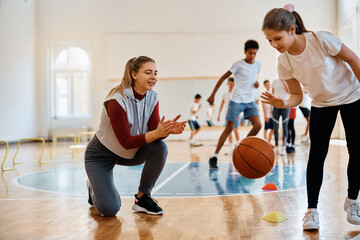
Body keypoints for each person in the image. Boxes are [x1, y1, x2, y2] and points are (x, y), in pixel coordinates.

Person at [261, 5, 360, 230]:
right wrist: (282, 103)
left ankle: (352, 201)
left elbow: (354, 59)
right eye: (269, 41)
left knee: (357, 150)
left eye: (277, 38)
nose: (274, 45)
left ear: (292, 29)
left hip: (352, 95)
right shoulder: (284, 62)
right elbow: (296, 95)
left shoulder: (321, 40)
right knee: (316, 155)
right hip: (321, 103)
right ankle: (311, 211)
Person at [85, 56, 186, 217]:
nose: (154, 77)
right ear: (134, 74)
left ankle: (142, 198)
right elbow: (125, 142)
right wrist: (156, 133)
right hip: (101, 155)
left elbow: (154, 133)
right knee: (110, 209)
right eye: (148, 72)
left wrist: (165, 131)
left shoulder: (152, 97)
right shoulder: (116, 100)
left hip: (128, 154)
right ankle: (92, 186)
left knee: (160, 148)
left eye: (156, 73)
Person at [207, 40, 262, 169]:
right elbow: (222, 78)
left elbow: (253, 79)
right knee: (229, 128)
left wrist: (256, 84)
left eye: (254, 53)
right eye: (250, 53)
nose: (252, 56)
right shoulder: (238, 65)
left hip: (249, 101)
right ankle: (214, 156)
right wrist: (213, 94)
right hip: (236, 100)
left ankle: (242, 147)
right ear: (245, 52)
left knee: (258, 126)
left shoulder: (258, 65)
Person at [217, 77, 241, 155]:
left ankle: (239, 145)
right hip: (227, 115)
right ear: (228, 84)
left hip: (235, 114)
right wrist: (218, 114)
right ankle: (230, 147)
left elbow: (240, 104)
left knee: (235, 129)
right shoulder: (224, 94)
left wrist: (239, 113)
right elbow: (222, 104)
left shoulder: (236, 93)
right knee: (228, 131)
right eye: (230, 84)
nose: (231, 85)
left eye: (233, 84)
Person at [272, 79, 290, 155]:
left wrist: (284, 81)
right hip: (276, 105)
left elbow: (289, 91)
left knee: (285, 126)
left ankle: (283, 148)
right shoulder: (274, 82)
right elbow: (273, 94)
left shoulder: (287, 81)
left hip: (285, 105)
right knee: (275, 127)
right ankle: (276, 147)